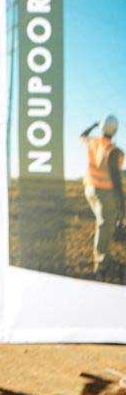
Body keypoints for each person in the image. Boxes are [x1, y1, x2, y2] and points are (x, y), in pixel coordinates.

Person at [79, 115, 123, 276]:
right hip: (105, 191)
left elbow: (82, 135)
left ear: (102, 128)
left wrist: (93, 124)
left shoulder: (93, 142)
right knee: (105, 224)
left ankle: (103, 255)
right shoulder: (114, 151)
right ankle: (101, 263)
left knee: (103, 223)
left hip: (89, 189)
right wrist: (122, 203)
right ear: (116, 130)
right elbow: (116, 180)